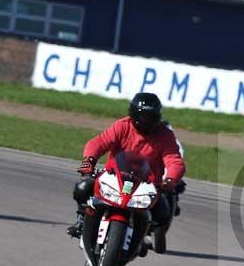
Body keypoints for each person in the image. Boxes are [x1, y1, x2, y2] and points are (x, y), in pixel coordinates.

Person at [66, 92, 185, 242]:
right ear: (134, 114)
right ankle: (82, 219)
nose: (146, 121)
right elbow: (99, 143)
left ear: (158, 117)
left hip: (146, 186)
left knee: (163, 211)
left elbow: (174, 160)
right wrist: (89, 161)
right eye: (143, 117)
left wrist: (170, 180)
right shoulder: (123, 126)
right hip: (113, 178)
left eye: (151, 117)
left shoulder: (165, 135)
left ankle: (143, 235)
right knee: (83, 187)